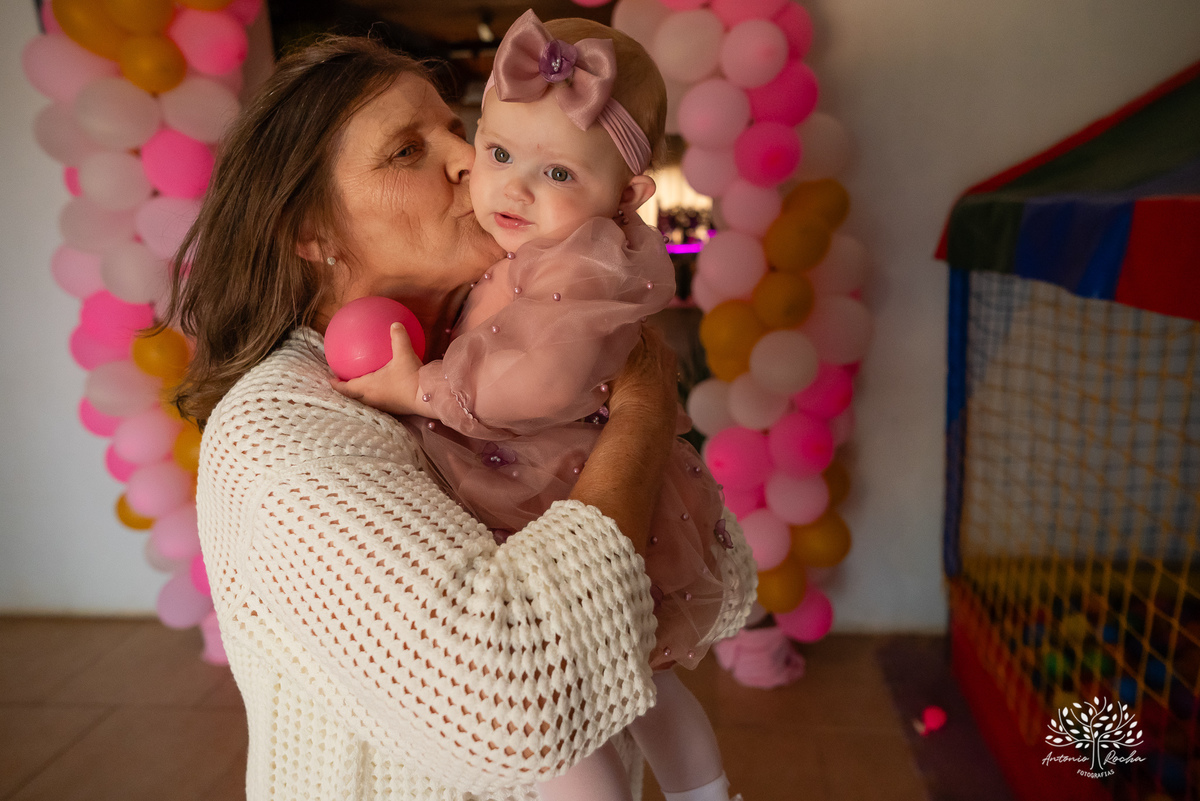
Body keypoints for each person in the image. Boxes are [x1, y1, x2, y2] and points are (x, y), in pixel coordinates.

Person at [161, 33, 755, 801]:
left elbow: (723, 578)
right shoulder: (281, 436)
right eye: (407, 151)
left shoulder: (502, 327)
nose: (473, 161)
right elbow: (526, 701)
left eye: (458, 126)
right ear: (308, 231)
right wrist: (639, 411)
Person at [332, 13, 754, 801]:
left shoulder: (588, 263)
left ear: (626, 195)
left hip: (553, 495)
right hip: (544, 482)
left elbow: (544, 385)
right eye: (498, 153)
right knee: (645, 689)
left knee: (567, 718)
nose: (511, 188)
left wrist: (418, 388)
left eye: (557, 174)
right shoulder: (538, 245)